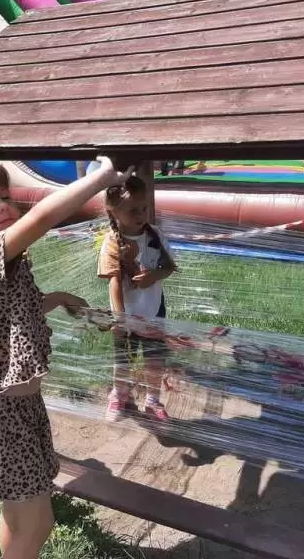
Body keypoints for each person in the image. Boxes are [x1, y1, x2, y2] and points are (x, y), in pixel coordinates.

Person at [0, 150, 132, 559]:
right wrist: (101, 177)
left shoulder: (0, 265)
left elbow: (14, 309)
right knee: (34, 524)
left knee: (25, 520)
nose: (3, 207)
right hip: (4, 414)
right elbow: (42, 218)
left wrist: (62, 298)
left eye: (4, 196)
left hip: (19, 407)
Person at [98, 176, 178, 422]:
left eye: (144, 208)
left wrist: (153, 276)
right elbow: (114, 282)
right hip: (126, 314)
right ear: (113, 211)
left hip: (154, 310)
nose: (141, 214)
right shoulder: (113, 242)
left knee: (154, 359)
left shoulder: (155, 235)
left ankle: (152, 399)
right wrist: (120, 318)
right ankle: (119, 395)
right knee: (123, 359)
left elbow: (169, 267)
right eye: (133, 210)